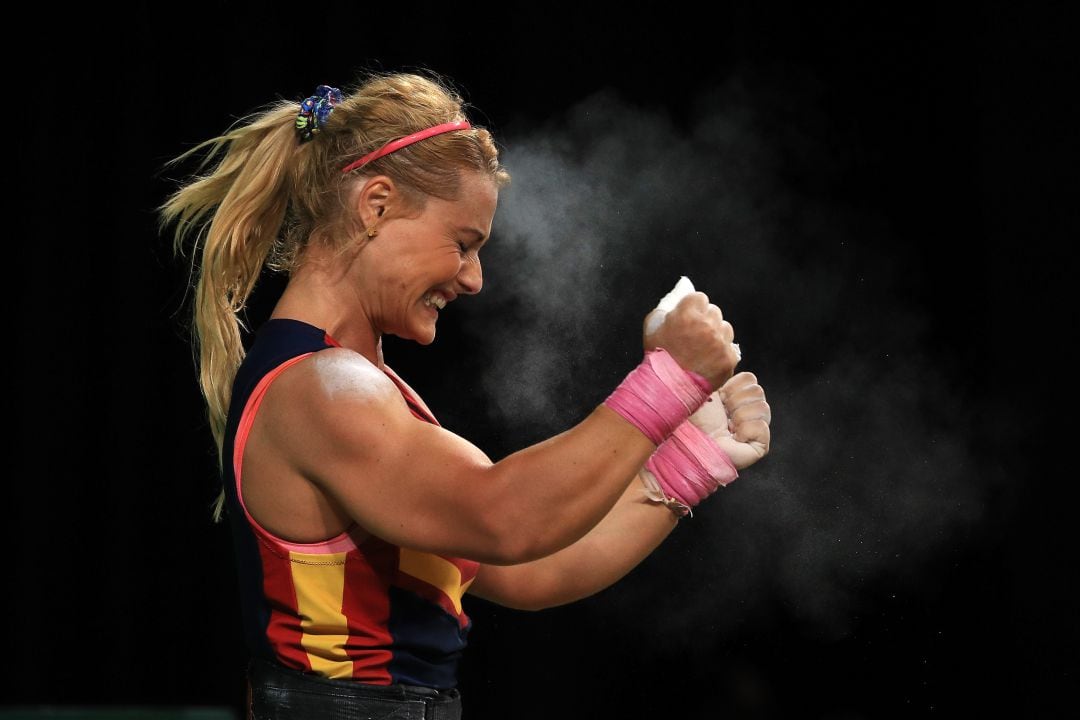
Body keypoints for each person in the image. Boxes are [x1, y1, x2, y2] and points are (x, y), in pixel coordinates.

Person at [159, 70, 771, 720]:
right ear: (377, 205)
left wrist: (693, 456)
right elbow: (504, 518)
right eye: (463, 244)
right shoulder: (324, 389)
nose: (475, 279)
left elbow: (531, 571)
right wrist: (668, 380)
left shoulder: (363, 388)